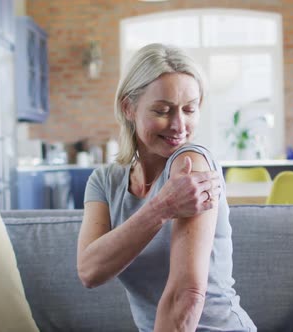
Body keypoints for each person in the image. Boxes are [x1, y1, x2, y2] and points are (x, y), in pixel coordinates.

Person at [77, 43, 256, 332]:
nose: (179, 125)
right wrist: (163, 206)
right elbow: (89, 271)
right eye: (162, 110)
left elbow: (186, 297)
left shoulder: (191, 164)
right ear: (128, 107)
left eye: (190, 109)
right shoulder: (104, 182)